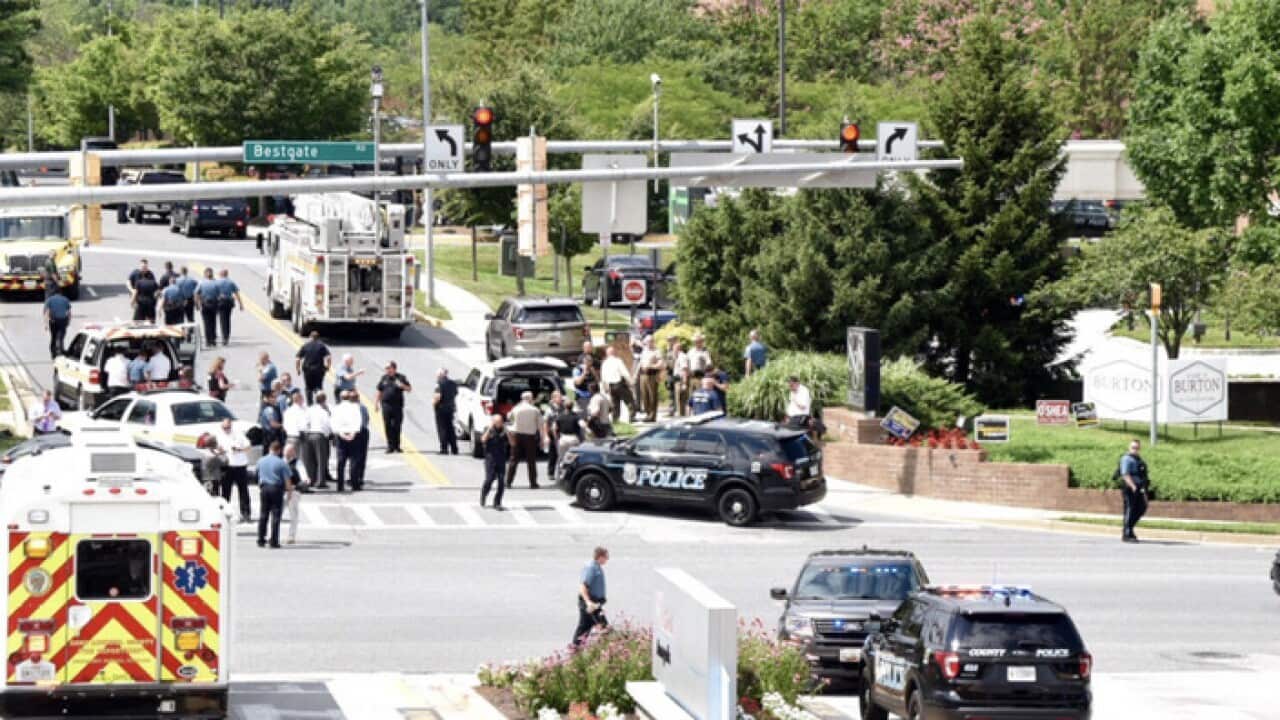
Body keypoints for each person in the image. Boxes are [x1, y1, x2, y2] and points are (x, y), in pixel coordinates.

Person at [213, 418, 252, 523]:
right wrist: (219, 451)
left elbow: (248, 446)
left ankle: (246, 514)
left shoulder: (238, 434)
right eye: (224, 428)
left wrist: (239, 450)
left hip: (240, 465)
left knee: (243, 491)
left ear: (231, 426)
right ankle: (225, 514)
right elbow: (215, 450)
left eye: (228, 427)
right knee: (226, 492)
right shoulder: (219, 436)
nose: (226, 430)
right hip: (227, 466)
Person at [255, 442, 293, 548]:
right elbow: (287, 480)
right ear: (279, 450)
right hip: (276, 489)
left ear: (269, 449)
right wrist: (289, 492)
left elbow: (256, 474)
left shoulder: (261, 460)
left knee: (263, 514)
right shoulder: (281, 463)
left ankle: (261, 539)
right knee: (276, 515)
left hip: (264, 487)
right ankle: (274, 541)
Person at [505, 391, 544, 489]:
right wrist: (542, 438)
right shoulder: (535, 410)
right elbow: (540, 424)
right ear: (530, 398)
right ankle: (533, 483)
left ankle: (508, 482)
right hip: (530, 437)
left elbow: (509, 417)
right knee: (531, 461)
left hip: (517, 435)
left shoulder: (516, 408)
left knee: (513, 459)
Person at [573, 546, 610, 646]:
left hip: (596, 604)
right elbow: (583, 587)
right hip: (591, 604)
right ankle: (575, 649)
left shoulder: (597, 567)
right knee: (602, 628)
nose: (607, 559)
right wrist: (588, 602)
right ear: (600, 557)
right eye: (606, 557)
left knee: (586, 627)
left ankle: (576, 649)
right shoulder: (591, 568)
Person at [375, 362, 411, 453]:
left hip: (397, 406)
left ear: (394, 368)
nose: (387, 369)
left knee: (397, 426)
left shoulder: (401, 377)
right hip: (386, 405)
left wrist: (402, 385)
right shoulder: (384, 378)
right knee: (387, 425)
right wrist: (376, 403)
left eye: (389, 368)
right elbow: (379, 390)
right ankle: (390, 446)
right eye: (386, 368)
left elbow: (409, 389)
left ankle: (397, 446)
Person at [1119, 439, 1150, 543]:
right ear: (1129, 448)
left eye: (1137, 448)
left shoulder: (1138, 459)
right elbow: (1125, 474)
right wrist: (1133, 486)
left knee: (1142, 507)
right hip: (1130, 488)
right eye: (1133, 447)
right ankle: (1127, 534)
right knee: (1130, 509)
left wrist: (1143, 490)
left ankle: (1130, 528)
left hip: (1139, 488)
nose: (1135, 450)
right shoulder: (1126, 459)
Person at [332, 391, 363, 493]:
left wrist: (341, 434)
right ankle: (354, 484)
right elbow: (358, 422)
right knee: (354, 461)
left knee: (341, 462)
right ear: (349, 398)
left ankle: (340, 485)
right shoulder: (355, 408)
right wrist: (353, 433)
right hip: (353, 436)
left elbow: (334, 423)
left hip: (341, 437)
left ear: (340, 398)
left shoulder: (336, 408)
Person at [302, 391, 333, 490]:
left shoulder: (309, 409)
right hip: (319, 435)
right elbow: (327, 425)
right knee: (321, 459)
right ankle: (320, 481)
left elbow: (305, 422)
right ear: (324, 400)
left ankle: (310, 479)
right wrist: (328, 435)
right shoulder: (324, 411)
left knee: (309, 460)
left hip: (309, 434)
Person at [479, 414, 508, 510]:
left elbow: (512, 443)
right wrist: (490, 428)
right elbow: (483, 439)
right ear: (493, 422)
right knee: (489, 479)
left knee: (501, 482)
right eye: (497, 422)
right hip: (490, 459)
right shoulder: (488, 429)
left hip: (501, 459)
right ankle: (484, 493)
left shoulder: (504, 431)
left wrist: (508, 432)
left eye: (501, 422)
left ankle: (497, 502)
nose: (499, 424)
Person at [600, 347, 634, 424]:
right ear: (614, 353)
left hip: (610, 386)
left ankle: (615, 420)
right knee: (629, 400)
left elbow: (603, 376)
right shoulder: (618, 361)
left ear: (607, 354)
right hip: (619, 384)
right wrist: (631, 382)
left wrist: (605, 387)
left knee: (615, 404)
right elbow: (624, 372)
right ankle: (632, 417)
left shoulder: (604, 363)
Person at [296, 331, 331, 404]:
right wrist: (328, 367)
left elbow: (298, 358)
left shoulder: (306, 345)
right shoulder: (322, 346)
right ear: (318, 338)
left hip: (308, 370)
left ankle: (310, 404)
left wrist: (298, 369)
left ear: (310, 337)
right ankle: (320, 402)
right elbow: (328, 357)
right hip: (319, 370)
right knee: (319, 387)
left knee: (308, 388)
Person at [635, 336, 664, 422]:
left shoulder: (657, 351)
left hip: (652, 375)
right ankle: (648, 414)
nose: (649, 343)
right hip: (643, 375)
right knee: (645, 396)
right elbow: (640, 363)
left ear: (653, 341)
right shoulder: (644, 350)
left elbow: (661, 364)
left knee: (652, 396)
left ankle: (652, 415)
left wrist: (651, 366)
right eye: (647, 342)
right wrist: (636, 374)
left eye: (650, 341)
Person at [544, 391, 571, 477]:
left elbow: (572, 406)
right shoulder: (549, 409)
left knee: (564, 454)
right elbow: (545, 423)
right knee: (553, 454)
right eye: (558, 397)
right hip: (552, 434)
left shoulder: (564, 407)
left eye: (561, 397)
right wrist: (546, 436)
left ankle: (562, 473)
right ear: (553, 398)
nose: (560, 399)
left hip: (562, 433)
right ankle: (551, 473)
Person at [214, 269, 243, 346]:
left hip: (220, 302)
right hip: (229, 302)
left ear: (220, 274)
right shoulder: (231, 282)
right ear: (227, 274)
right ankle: (227, 336)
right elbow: (236, 293)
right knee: (227, 319)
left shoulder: (216, 282)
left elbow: (214, 293)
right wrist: (241, 304)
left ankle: (224, 337)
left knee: (222, 320)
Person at [433, 368, 458, 455]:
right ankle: (454, 448)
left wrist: (433, 403)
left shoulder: (439, 384)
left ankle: (444, 448)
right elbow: (455, 393)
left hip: (441, 408)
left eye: (437, 375)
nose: (437, 377)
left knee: (442, 429)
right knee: (450, 428)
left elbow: (438, 397)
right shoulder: (453, 383)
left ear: (440, 375)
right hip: (450, 408)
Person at [284, 443, 303, 544]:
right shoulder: (280, 461)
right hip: (280, 491)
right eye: (286, 451)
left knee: (293, 515)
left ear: (294, 452)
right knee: (276, 514)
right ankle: (273, 534)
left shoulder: (298, 463)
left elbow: (303, 477)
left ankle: (291, 536)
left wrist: (305, 480)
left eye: (289, 451)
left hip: (294, 491)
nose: (286, 453)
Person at [43, 288, 71, 359]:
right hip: (63, 321)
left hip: (53, 321)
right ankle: (61, 351)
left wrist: (46, 324)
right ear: (61, 293)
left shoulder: (50, 300)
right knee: (61, 337)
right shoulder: (65, 300)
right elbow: (69, 313)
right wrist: (68, 322)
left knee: (53, 337)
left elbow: (47, 312)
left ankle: (53, 353)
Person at [195, 268, 220, 349]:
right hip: (214, 304)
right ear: (212, 274)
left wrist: (198, 304)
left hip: (205, 304)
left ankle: (208, 341)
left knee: (206, 323)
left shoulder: (201, 283)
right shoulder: (216, 283)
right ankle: (213, 340)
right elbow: (220, 294)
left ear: (205, 274)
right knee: (213, 322)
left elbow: (196, 293)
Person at [259, 389, 285, 454]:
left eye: (275, 397)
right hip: (271, 437)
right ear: (268, 398)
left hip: (269, 437)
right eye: (273, 397)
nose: (275, 399)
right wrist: (284, 425)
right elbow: (273, 424)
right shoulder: (269, 409)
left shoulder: (271, 407)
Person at [283, 390, 308, 456]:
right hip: (299, 438)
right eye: (302, 398)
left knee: (291, 458)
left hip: (289, 437)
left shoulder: (288, 411)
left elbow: (285, 426)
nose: (303, 400)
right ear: (298, 399)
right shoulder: (300, 411)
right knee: (300, 459)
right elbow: (303, 425)